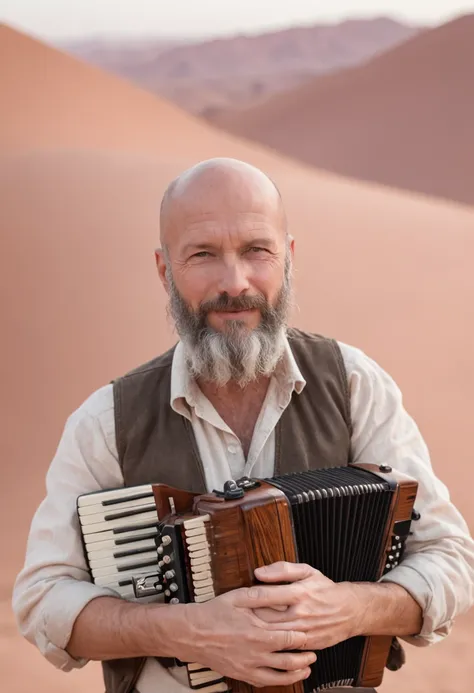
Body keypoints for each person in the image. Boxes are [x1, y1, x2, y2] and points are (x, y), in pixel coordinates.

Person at [13, 157, 474, 693]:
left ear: (288, 258)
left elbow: (449, 558)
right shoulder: (106, 421)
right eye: (203, 255)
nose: (235, 283)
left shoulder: (353, 385)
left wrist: (350, 609)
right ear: (165, 270)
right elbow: (45, 597)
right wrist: (186, 632)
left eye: (257, 250)